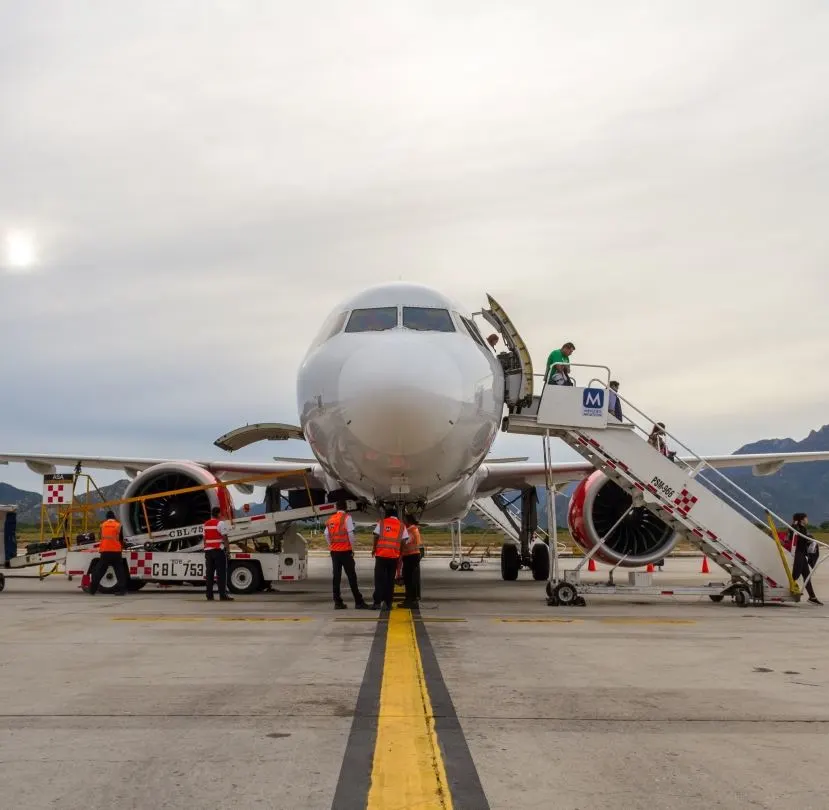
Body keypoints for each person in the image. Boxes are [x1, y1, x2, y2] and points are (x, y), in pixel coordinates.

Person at [325, 500, 369, 610]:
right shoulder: (346, 518)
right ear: (346, 508)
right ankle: (358, 602)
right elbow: (350, 533)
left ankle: (337, 602)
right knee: (352, 577)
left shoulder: (330, 519)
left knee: (336, 577)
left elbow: (326, 534)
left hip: (334, 552)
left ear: (336, 508)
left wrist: (332, 545)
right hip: (345, 551)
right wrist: (352, 548)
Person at [370, 507, 408, 610]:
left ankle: (377, 602)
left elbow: (376, 536)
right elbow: (404, 542)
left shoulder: (382, 522)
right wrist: (401, 553)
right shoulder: (402, 525)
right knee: (390, 580)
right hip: (393, 557)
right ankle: (388, 603)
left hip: (381, 555)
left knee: (379, 579)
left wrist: (374, 548)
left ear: (387, 514)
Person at [89, 510, 127, 596]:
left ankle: (92, 589)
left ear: (106, 517)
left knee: (99, 571)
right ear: (114, 517)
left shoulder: (102, 525)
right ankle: (122, 590)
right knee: (119, 572)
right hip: (116, 552)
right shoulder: (118, 525)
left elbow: (100, 537)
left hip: (105, 551)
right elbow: (121, 539)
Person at [789, 512, 822, 605]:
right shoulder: (795, 528)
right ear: (801, 520)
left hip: (802, 555)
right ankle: (787, 588)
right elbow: (793, 536)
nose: (807, 520)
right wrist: (794, 525)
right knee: (795, 575)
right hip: (798, 554)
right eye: (806, 518)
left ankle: (812, 597)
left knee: (807, 576)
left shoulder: (803, 528)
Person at [203, 507, 234, 601]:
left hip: (208, 552)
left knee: (209, 574)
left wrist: (206, 548)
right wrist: (228, 550)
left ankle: (209, 595)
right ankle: (222, 595)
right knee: (221, 574)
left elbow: (204, 539)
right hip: (218, 551)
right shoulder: (220, 523)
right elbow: (225, 537)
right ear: (219, 514)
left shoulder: (205, 524)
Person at [401, 515, 422, 608]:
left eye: (404, 520)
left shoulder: (410, 530)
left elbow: (406, 542)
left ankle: (410, 600)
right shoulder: (414, 529)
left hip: (411, 556)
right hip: (413, 555)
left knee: (409, 579)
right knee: (412, 578)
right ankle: (412, 599)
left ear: (408, 521)